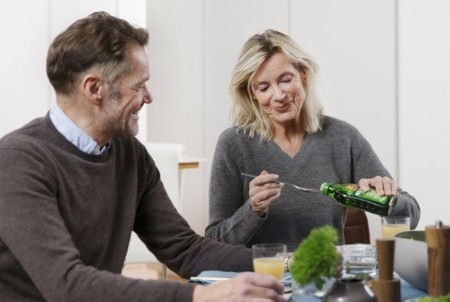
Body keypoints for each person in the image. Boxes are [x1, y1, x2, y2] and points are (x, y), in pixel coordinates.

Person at [0, 13, 285, 302]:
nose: (148, 97)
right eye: (138, 85)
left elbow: (185, 250)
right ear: (94, 88)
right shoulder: (17, 162)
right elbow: (67, 285)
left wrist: (289, 263)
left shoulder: (129, 154)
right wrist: (200, 296)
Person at [205, 29, 420, 252]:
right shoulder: (233, 144)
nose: (278, 95)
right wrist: (252, 210)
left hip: (326, 278)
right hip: (261, 281)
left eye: (285, 80)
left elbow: (411, 214)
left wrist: (388, 199)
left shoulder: (342, 137)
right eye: (264, 87)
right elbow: (213, 242)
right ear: (251, 94)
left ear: (303, 75)